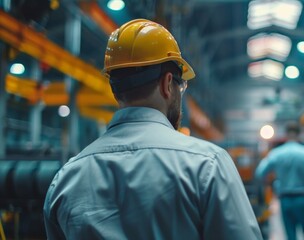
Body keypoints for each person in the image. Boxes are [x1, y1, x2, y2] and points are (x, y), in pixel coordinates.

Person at [43, 19, 263, 240]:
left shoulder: (66, 179)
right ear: (168, 84)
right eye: (181, 85)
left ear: (114, 88)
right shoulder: (207, 165)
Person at [255, 122, 304, 240]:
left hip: (285, 200)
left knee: (291, 236)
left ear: (286, 134)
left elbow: (260, 172)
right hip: (303, 199)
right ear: (299, 134)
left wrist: (272, 184)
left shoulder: (276, 153)